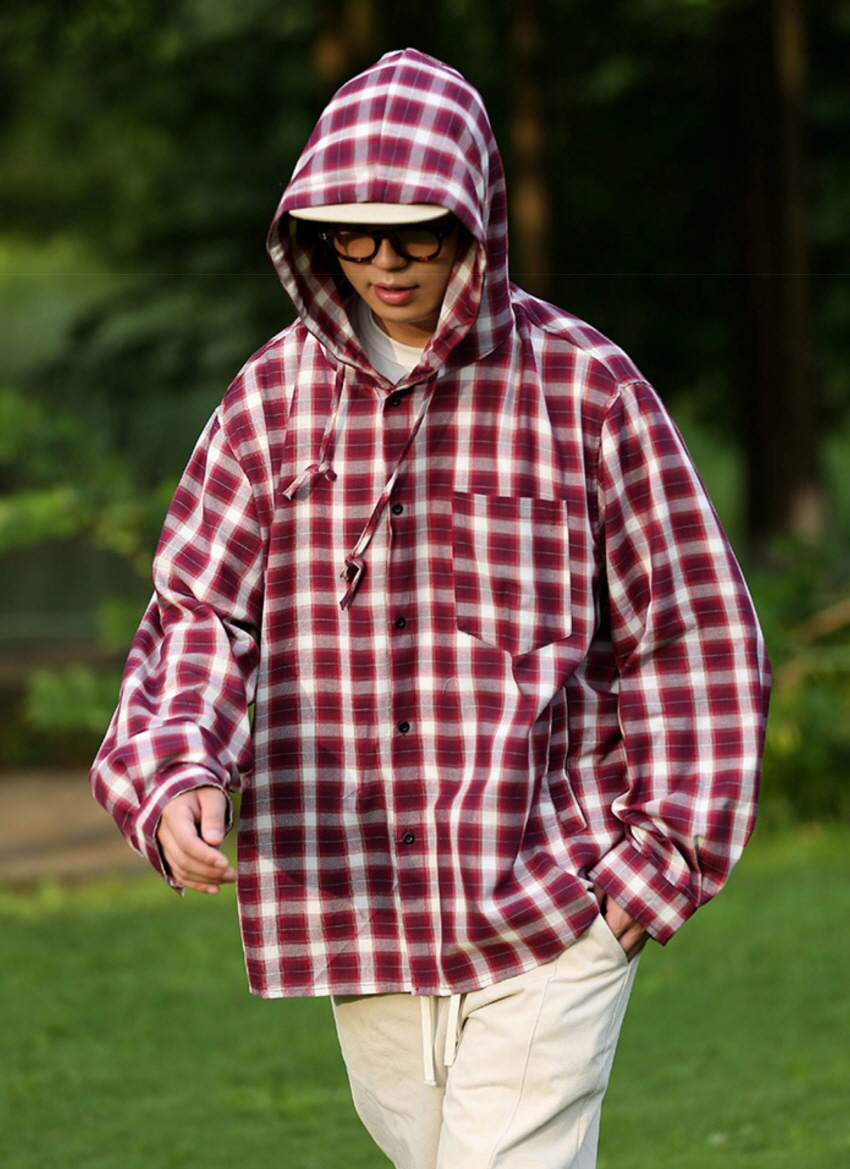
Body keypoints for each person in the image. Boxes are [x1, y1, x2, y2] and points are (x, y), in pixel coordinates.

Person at [91, 48, 771, 1169]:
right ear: (314, 232)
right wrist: (174, 772)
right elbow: (199, 612)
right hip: (353, 901)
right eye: (353, 236)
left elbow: (691, 625)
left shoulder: (586, 388)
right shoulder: (269, 403)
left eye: (417, 233)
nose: (386, 263)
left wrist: (657, 863)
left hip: (557, 892)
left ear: (475, 220)